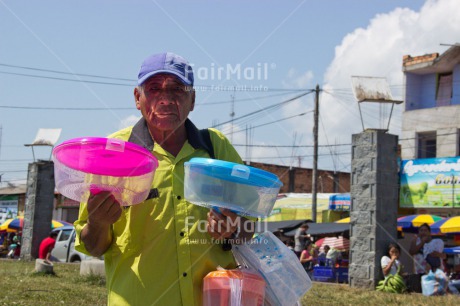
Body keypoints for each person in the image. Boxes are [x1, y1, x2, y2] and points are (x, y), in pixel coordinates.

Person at [74, 52, 255, 306]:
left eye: (177, 90)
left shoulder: (218, 149)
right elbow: (93, 246)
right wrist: (98, 223)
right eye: (154, 89)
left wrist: (234, 228)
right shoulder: (112, 154)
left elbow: (250, 227)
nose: (166, 100)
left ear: (192, 100)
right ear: (138, 98)